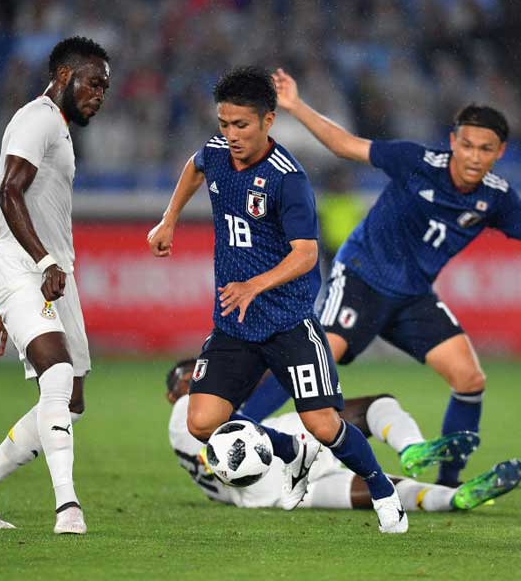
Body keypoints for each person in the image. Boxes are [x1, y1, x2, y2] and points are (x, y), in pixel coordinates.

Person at [239, 68, 521, 488]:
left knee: (469, 379)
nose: (473, 156)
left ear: (499, 152)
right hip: (362, 277)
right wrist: (296, 106)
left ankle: (448, 486)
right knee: (315, 362)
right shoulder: (416, 162)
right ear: (453, 143)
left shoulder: (497, 197)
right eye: (466, 145)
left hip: (411, 297)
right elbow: (344, 145)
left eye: (485, 149)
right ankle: (240, 426)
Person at [146, 66, 407, 533]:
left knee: (325, 425)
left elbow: (306, 256)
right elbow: (195, 164)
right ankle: (290, 452)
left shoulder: (288, 179)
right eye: (224, 124)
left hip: (289, 324)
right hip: (233, 325)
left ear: (268, 121)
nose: (230, 135)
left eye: (241, 125)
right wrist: (169, 219)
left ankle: (384, 493)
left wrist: (254, 285)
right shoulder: (217, 153)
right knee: (200, 422)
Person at [0, 37, 110, 534]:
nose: (99, 94)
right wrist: (31, 266)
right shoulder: (36, 119)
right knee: (56, 374)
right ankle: (67, 508)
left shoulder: (55, 128)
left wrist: (1, 296)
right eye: (93, 83)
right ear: (63, 77)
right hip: (30, 268)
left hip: (49, 274)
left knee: (69, 400)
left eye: (105, 87)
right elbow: (10, 191)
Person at [164, 360, 521, 511]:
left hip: (274, 496)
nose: (194, 379)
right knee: (375, 406)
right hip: (284, 449)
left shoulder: (185, 430)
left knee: (383, 489)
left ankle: (455, 498)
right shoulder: (186, 410)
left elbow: (213, 461)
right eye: (186, 377)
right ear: (174, 394)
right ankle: (411, 446)